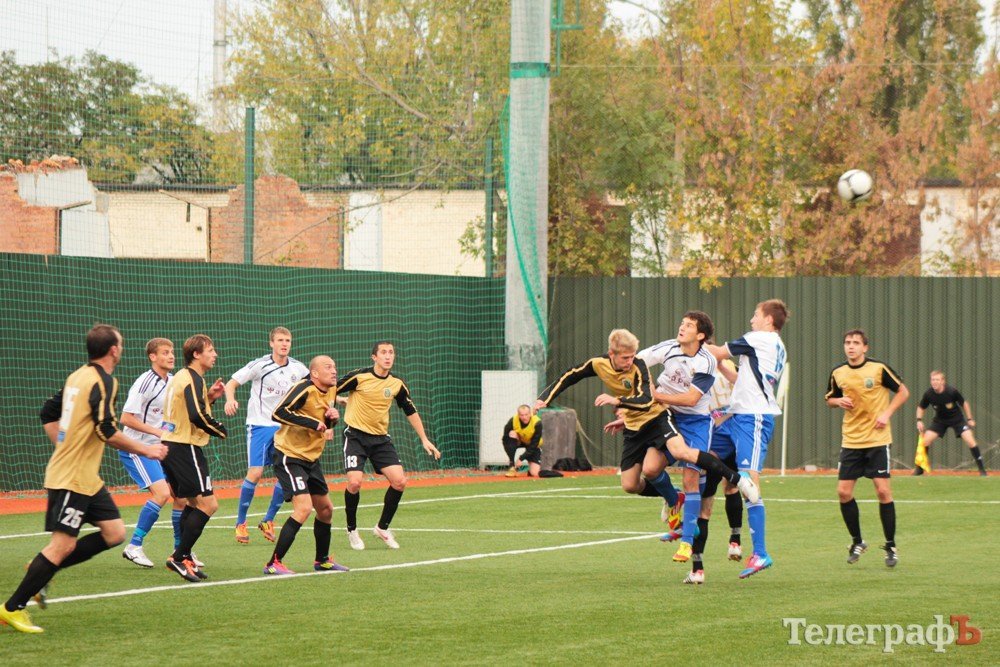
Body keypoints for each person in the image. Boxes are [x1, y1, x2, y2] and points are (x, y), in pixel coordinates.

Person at [0, 325, 167, 634]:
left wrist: (64, 444)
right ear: (114, 350)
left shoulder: (77, 376)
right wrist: (148, 450)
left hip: (86, 477)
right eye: (121, 343)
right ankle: (12, 608)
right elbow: (107, 431)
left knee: (114, 533)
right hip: (71, 477)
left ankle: (43, 568)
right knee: (61, 546)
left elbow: (48, 411)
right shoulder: (104, 381)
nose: (122, 347)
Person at [538, 329, 759, 525]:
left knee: (680, 452)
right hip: (635, 427)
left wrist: (618, 401)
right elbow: (569, 376)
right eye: (625, 357)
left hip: (657, 418)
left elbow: (645, 399)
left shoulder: (639, 365)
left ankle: (738, 479)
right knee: (630, 484)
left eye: (633, 355)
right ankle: (675, 498)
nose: (630, 361)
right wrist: (545, 398)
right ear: (611, 353)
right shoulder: (598, 364)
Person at [706, 298, 788, 579]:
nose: (751, 319)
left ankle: (761, 552)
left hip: (752, 418)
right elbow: (740, 376)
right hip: (735, 416)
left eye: (756, 314)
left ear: (768, 320)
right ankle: (680, 507)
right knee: (698, 452)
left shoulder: (758, 338)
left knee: (749, 483)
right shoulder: (773, 345)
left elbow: (717, 352)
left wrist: (692, 340)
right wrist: (719, 365)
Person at [336, 341, 441, 550]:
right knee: (355, 482)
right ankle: (352, 530)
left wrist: (424, 439)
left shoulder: (396, 384)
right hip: (355, 436)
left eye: (391, 352)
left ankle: (382, 528)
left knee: (400, 481)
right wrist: (337, 401)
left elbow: (410, 411)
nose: (388, 356)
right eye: (383, 352)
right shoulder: (359, 377)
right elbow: (327, 390)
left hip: (380, 439)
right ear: (374, 357)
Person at [636, 311, 718, 565]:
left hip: (696, 423)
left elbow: (692, 399)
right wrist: (647, 385)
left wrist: (656, 396)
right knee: (649, 470)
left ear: (701, 335)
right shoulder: (669, 348)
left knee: (691, 477)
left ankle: (686, 543)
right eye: (682, 323)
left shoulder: (706, 362)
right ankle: (675, 499)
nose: (682, 327)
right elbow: (637, 361)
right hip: (668, 417)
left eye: (689, 325)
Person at [826, 329, 909, 568]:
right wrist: (837, 401)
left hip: (877, 440)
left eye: (855, 343)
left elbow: (903, 392)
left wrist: (887, 413)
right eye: (847, 343)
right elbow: (830, 398)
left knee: (883, 492)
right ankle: (857, 541)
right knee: (843, 492)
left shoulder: (879, 369)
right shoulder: (838, 372)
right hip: (851, 441)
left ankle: (891, 545)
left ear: (865, 348)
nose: (851, 346)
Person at [117, 337, 200, 569]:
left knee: (181, 498)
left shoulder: (174, 381)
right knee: (162, 493)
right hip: (137, 447)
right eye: (165, 352)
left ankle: (180, 551)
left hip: (160, 448)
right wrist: (156, 431)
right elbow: (125, 418)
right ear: (152, 357)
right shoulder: (145, 382)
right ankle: (133, 546)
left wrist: (211, 397)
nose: (171, 356)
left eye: (172, 352)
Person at [263, 355, 349, 574]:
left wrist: (332, 418)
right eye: (328, 367)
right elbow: (278, 413)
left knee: (326, 510)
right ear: (315, 373)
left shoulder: (332, 389)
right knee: (303, 508)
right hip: (289, 456)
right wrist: (314, 423)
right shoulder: (304, 388)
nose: (334, 371)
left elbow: (324, 421)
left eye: (335, 367)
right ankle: (273, 563)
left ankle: (322, 561)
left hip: (311, 458)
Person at [224, 327, 309, 545]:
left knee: (284, 475)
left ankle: (268, 520)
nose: (284, 344)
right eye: (280, 340)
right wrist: (230, 399)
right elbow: (232, 383)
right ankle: (240, 523)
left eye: (287, 340)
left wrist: (335, 402)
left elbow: (315, 389)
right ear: (271, 343)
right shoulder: (260, 365)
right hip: (260, 425)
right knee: (256, 472)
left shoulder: (299, 369)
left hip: (286, 428)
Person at [161, 334, 228, 582]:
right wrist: (218, 428)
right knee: (209, 505)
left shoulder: (185, 377)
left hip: (173, 444)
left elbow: (190, 408)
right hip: (184, 446)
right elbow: (195, 416)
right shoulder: (191, 377)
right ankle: (178, 558)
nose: (215, 354)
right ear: (196, 354)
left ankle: (184, 556)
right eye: (210, 350)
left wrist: (209, 397)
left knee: (192, 503)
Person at [681, 358, 745, 585]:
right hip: (736, 432)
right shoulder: (723, 363)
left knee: (704, 506)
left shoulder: (699, 366)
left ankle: (698, 569)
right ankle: (735, 541)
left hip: (715, 435)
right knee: (731, 487)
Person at [915, 371, 987, 477]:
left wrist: (970, 418)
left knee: (970, 440)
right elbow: (921, 407)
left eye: (937, 380)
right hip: (940, 420)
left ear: (943, 381)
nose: (934, 382)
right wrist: (919, 420)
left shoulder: (951, 391)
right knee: (925, 441)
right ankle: (920, 469)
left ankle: (982, 470)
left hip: (957, 419)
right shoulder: (929, 394)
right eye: (933, 380)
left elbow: (964, 404)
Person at [502, 405, 543, 478]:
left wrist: (521, 458)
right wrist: (511, 461)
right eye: (521, 415)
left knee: (535, 473)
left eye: (526, 414)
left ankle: (530, 468)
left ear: (530, 413)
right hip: (520, 441)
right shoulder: (513, 420)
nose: (524, 417)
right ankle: (512, 467)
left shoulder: (537, 423)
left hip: (532, 445)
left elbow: (534, 444)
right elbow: (505, 439)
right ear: (518, 415)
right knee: (512, 434)